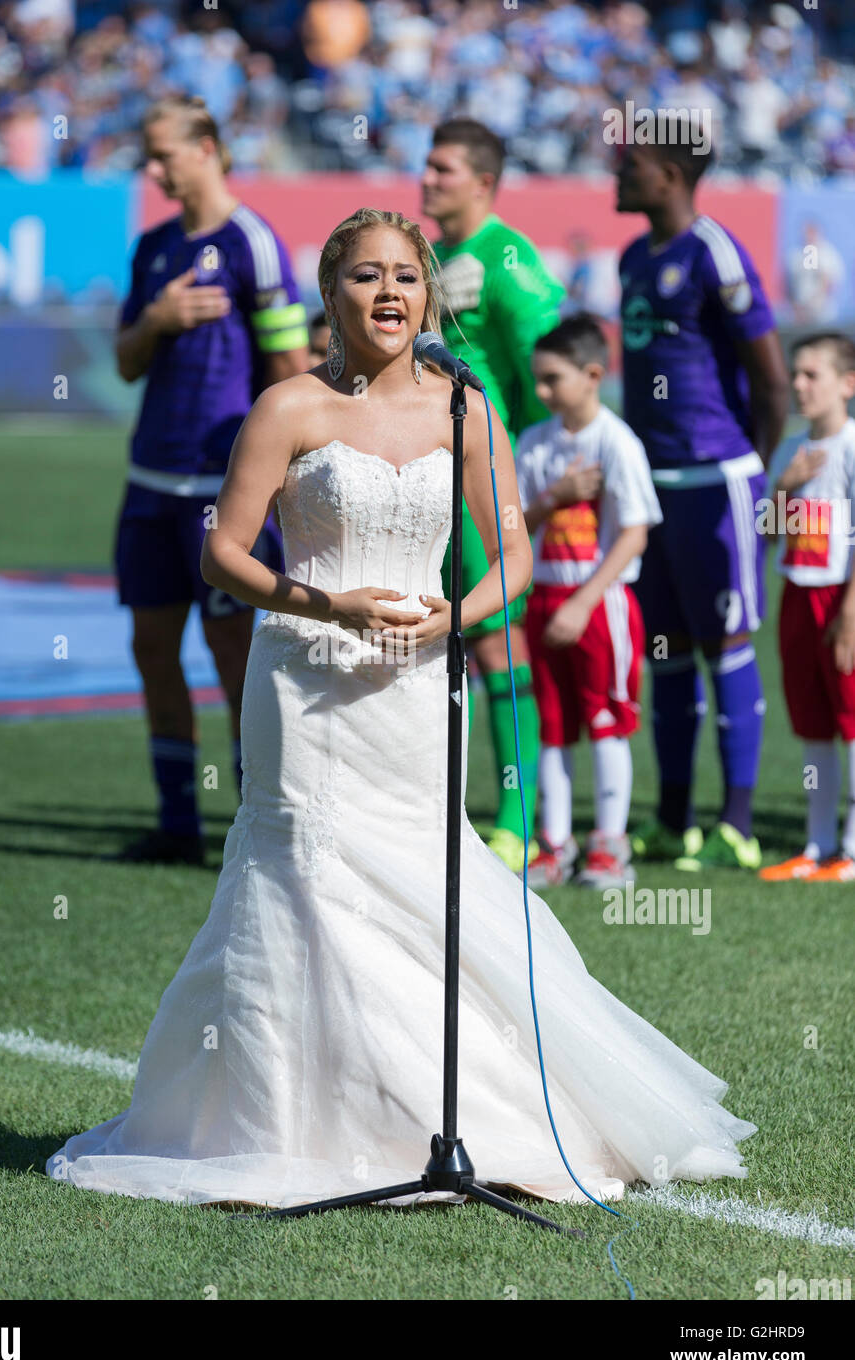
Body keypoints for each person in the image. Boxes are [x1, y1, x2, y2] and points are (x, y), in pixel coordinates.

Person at [46, 209, 755, 1210]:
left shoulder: (462, 409)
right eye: (365, 275)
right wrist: (319, 601)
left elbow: (508, 545)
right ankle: (280, 1125)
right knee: (297, 881)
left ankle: (443, 1114)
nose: (388, 293)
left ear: (427, 296)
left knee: (424, 885)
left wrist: (449, 622)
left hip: (418, 688)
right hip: (301, 685)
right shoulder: (286, 406)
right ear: (329, 293)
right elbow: (224, 552)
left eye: (406, 278)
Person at [114, 97, 308, 865]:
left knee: (236, 652)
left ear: (206, 148)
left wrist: (282, 480)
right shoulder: (154, 246)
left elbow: (289, 368)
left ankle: (252, 825)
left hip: (219, 490)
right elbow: (128, 360)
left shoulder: (252, 244)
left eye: (163, 154)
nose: (153, 170)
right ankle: (175, 824)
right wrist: (158, 317)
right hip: (147, 481)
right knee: (151, 645)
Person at [616, 133, 790, 872]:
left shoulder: (715, 251)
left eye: (631, 167)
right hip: (653, 486)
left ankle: (740, 825)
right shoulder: (632, 257)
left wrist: (756, 473)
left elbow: (772, 379)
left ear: (670, 175)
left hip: (718, 481)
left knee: (727, 645)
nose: (617, 176)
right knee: (669, 654)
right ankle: (675, 819)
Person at [422, 118, 565, 875]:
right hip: (423, 479)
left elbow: (551, 367)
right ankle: (442, 810)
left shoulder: (508, 259)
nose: (428, 178)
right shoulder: (437, 256)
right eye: (427, 165)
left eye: (444, 169)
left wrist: (533, 474)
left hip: (480, 481)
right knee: (430, 634)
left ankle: (517, 825)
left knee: (491, 640)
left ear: (483, 180)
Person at [517, 315, 661, 890]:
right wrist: (553, 497)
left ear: (593, 374)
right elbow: (514, 522)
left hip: (599, 601)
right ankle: (554, 844)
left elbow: (635, 530)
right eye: (538, 380)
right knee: (553, 726)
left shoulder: (616, 440)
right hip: (544, 595)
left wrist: (583, 601)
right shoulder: (534, 442)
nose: (543, 391)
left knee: (606, 721)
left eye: (553, 379)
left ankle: (609, 845)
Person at [758, 334, 855, 882]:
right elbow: (768, 534)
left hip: (842, 599)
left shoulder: (851, 447)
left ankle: (851, 848)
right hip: (797, 597)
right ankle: (816, 846)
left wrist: (850, 615)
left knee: (851, 721)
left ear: (847, 384)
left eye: (811, 375)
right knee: (813, 724)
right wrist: (783, 491)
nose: (798, 384)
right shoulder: (790, 451)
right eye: (795, 374)